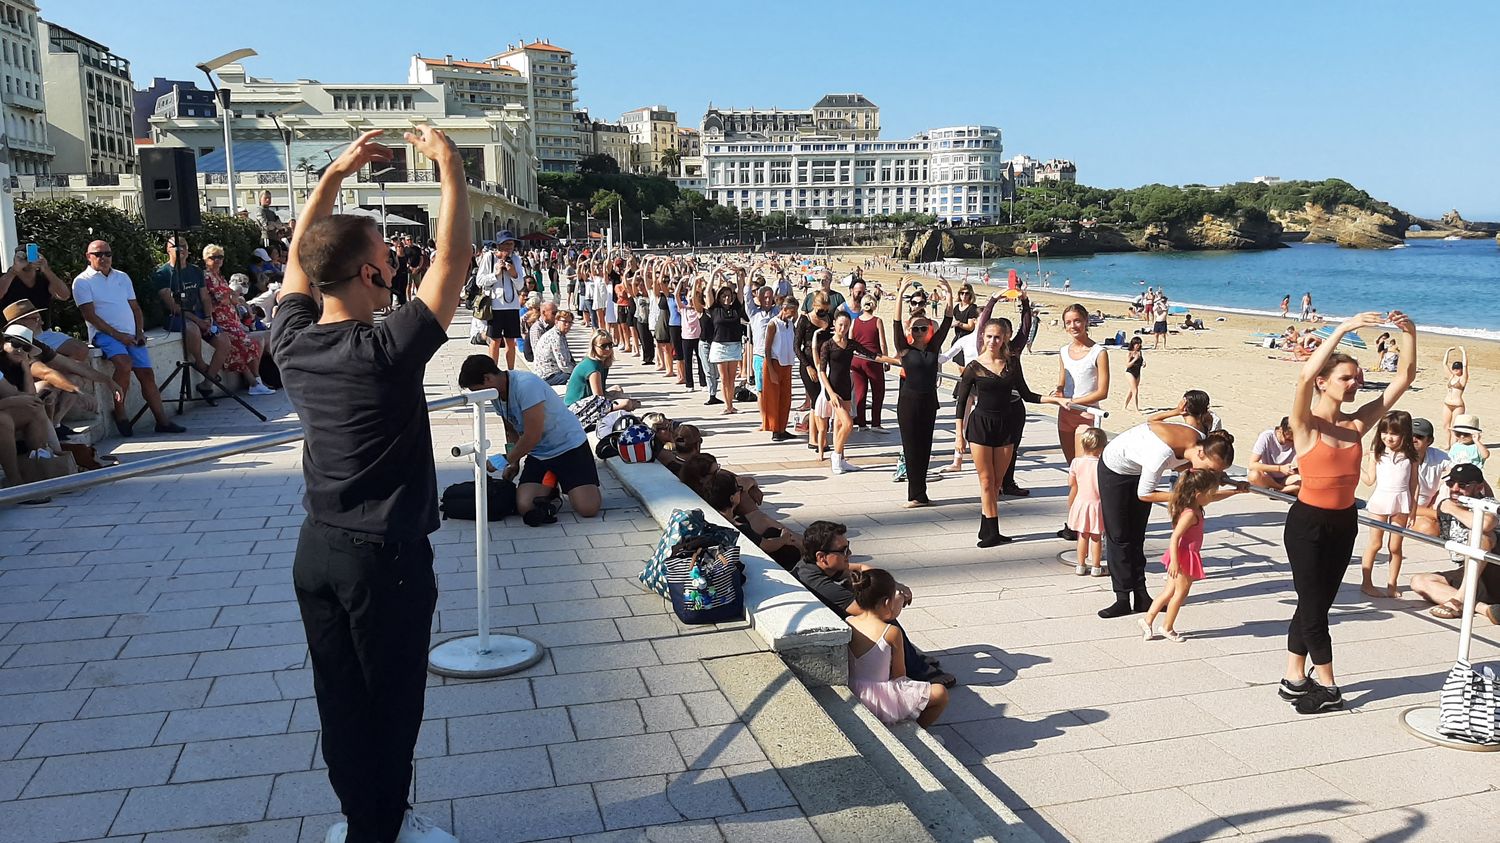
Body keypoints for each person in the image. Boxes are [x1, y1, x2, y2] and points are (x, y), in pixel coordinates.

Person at [270, 126, 466, 843]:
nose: (395, 268)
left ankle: (361, 815)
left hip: (315, 550)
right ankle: (377, 831)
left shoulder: (290, 339)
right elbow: (453, 260)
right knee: (391, 703)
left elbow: (299, 255)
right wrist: (449, 168)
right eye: (386, 260)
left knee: (340, 698)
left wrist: (335, 173)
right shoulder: (385, 349)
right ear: (370, 278)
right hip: (384, 559)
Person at [1280, 310, 1416, 716]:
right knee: (1314, 603)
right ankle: (1329, 687)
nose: (1355, 383)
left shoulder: (1358, 425)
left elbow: (1404, 379)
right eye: (1346, 377)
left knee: (1315, 603)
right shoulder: (1305, 425)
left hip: (1344, 523)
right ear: (1325, 381)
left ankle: (1294, 677)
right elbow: (1303, 377)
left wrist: (1410, 333)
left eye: (1358, 377)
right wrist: (1342, 329)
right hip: (1307, 523)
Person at [1097, 405, 1239, 619]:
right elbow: (1144, 494)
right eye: (1210, 470)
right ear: (1201, 452)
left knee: (1137, 536)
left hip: (1140, 469)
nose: (1209, 475)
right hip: (1115, 469)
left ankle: (1142, 594)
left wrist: (1229, 484)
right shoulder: (1160, 454)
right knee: (1119, 536)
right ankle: (1122, 598)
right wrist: (1186, 497)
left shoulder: (1201, 441)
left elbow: (1182, 465)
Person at [793, 520, 955, 687]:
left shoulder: (814, 566)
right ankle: (918, 670)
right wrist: (896, 596)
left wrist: (893, 585)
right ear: (821, 557)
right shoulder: (818, 583)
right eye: (843, 550)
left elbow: (862, 568)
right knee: (884, 619)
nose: (849, 553)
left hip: (828, 619)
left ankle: (913, 657)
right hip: (827, 630)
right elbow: (881, 612)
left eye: (848, 546)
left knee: (863, 591)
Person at [956, 316, 1061, 546]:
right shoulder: (974, 367)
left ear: (1005, 339)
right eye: (990, 336)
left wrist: (1054, 400)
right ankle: (991, 532)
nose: (993, 341)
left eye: (998, 337)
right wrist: (958, 438)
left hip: (1006, 426)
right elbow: (962, 402)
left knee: (997, 483)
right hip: (980, 426)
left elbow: (1026, 394)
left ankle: (988, 530)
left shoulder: (1012, 363)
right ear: (983, 336)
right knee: (985, 481)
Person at [458, 355, 602, 520]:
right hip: (540, 454)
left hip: (569, 447)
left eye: (477, 390)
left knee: (588, 509)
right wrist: (513, 463)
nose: (479, 396)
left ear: (487, 378)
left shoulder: (526, 385)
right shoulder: (495, 393)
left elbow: (533, 436)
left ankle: (566, 481)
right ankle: (552, 481)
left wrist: (504, 459)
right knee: (526, 506)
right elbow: (510, 430)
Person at [73, 239, 186, 437]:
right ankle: (120, 411)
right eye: (98, 254)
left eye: (107, 253)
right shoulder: (82, 281)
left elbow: (134, 307)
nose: (104, 258)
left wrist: (140, 332)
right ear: (88, 256)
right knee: (124, 364)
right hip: (104, 335)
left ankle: (162, 421)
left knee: (147, 374)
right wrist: (118, 336)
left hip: (131, 334)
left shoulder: (122, 277)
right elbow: (89, 315)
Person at [870, 279, 952, 507]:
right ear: (910, 331)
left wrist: (948, 294)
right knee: (911, 447)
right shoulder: (904, 349)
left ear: (928, 331)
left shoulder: (934, 348)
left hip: (929, 403)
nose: (918, 331)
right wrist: (900, 295)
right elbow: (895, 323)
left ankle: (921, 494)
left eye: (923, 328)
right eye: (915, 328)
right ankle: (914, 494)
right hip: (908, 404)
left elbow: (947, 321)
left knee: (925, 448)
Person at [1139, 468, 1237, 642]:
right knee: (1180, 593)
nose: (1212, 497)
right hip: (1184, 557)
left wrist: (1237, 491)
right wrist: (1175, 562)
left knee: (1168, 592)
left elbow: (1216, 497)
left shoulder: (1194, 504)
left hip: (1182, 555)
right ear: (1198, 494)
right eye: (1210, 493)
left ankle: (1147, 620)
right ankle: (1167, 627)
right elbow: (1175, 537)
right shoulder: (1191, 513)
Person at [846, 567, 949, 727]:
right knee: (940, 693)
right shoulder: (891, 632)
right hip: (880, 699)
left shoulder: (849, 622)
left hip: (853, 688)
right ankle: (919, 731)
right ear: (887, 602)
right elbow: (899, 675)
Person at [1411, 464, 1500, 623]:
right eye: (1450, 484)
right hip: (1470, 570)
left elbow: (1486, 523)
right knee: (1419, 582)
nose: (1455, 489)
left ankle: (1458, 600)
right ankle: (1486, 609)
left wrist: (1452, 509)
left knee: (1480, 534)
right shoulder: (1448, 505)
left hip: (1494, 570)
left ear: (1479, 487)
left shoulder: (1487, 503)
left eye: (1463, 485)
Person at [1054, 303, 1109, 541]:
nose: (1073, 326)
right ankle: (1073, 521)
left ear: (1086, 321)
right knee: (1073, 472)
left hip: (1086, 416)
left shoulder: (1099, 352)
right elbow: (1062, 381)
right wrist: (1058, 393)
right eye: (1068, 322)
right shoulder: (1064, 351)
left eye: (1077, 320)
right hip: (1065, 413)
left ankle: (1078, 526)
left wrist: (1075, 401)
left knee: (1085, 473)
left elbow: (1102, 391)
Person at [203, 244, 276, 396]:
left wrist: (232, 298)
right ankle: (256, 382)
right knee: (247, 344)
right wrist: (232, 297)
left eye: (220, 257)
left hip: (232, 319)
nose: (217, 260)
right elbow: (220, 299)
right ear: (205, 259)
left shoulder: (220, 276)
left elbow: (230, 297)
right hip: (221, 322)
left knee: (249, 345)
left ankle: (257, 382)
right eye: (213, 257)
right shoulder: (207, 277)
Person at [1359, 411, 1418, 599]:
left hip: (1401, 501)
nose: (1388, 437)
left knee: (1395, 546)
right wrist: (1353, 465)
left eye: (1394, 433)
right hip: (1381, 500)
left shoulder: (1411, 456)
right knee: (1375, 543)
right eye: (1384, 432)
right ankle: (1366, 583)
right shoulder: (1377, 453)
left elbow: (1414, 484)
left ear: (1404, 434)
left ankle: (1392, 584)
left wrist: (1413, 509)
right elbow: (1369, 480)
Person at [816, 310, 873, 475]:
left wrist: (897, 360)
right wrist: (831, 393)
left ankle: (841, 459)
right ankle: (836, 456)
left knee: (840, 424)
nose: (843, 328)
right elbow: (821, 371)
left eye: (846, 326)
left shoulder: (851, 344)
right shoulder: (827, 344)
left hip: (846, 387)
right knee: (848, 424)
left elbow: (871, 355)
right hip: (832, 389)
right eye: (840, 325)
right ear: (834, 324)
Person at [1067, 427, 1107, 577]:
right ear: (1102, 447)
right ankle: (1096, 566)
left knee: (1082, 535)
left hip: (1081, 502)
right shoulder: (1101, 464)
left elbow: (1071, 483)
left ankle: (1080, 565)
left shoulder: (1076, 462)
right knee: (1096, 537)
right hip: (1097, 504)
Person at [483, 233, 524, 369]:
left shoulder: (516, 259)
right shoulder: (489, 258)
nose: (509, 247)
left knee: (511, 341)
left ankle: (511, 371)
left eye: (511, 244)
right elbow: (480, 281)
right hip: (495, 306)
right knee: (495, 340)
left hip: (512, 305)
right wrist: (495, 274)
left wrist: (514, 274)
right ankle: (492, 370)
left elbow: (520, 285)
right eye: (506, 244)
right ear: (499, 245)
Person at [706, 282, 748, 414]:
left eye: (729, 296)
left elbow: (741, 288)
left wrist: (740, 275)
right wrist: (714, 274)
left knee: (732, 378)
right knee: (724, 378)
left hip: (734, 345)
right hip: (720, 345)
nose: (727, 299)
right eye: (724, 296)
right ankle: (727, 405)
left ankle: (731, 405)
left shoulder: (736, 308)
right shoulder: (715, 309)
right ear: (719, 297)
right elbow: (707, 292)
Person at [760, 296, 797, 441]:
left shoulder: (790, 324)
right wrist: (771, 370)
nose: (794, 314)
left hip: (786, 363)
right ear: (784, 309)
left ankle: (782, 427)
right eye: (792, 311)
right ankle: (775, 429)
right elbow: (767, 349)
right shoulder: (773, 324)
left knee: (786, 398)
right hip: (774, 363)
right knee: (773, 398)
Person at [850, 294, 888, 432]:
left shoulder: (855, 322)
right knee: (878, 391)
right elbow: (882, 343)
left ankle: (861, 423)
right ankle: (876, 423)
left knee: (860, 392)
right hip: (872, 359)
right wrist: (886, 359)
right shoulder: (877, 321)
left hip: (857, 359)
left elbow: (851, 341)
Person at [1409, 417, 1450, 536]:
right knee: (1429, 529)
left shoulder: (1438, 457)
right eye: (1410, 435)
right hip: (1401, 512)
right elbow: (1402, 505)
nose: (1413, 439)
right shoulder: (1398, 460)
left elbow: (1464, 472)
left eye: (1419, 437)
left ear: (1430, 441)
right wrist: (1436, 513)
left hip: (1428, 508)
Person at [1248, 417, 1301, 493]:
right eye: (1288, 439)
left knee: (1307, 480)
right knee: (1253, 476)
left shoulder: (1297, 441)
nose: (1289, 443)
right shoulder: (1267, 436)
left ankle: (1279, 491)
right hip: (1266, 476)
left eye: (1293, 440)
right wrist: (1279, 468)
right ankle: (1282, 489)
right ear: (1280, 430)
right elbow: (1252, 465)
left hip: (1285, 478)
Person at [531, 309, 577, 386]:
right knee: (578, 378)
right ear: (556, 321)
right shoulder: (555, 337)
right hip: (547, 376)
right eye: (564, 322)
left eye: (570, 322)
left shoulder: (560, 334)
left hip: (555, 371)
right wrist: (579, 371)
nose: (567, 325)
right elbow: (563, 365)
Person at [1441, 347, 1468, 448]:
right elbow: (1444, 364)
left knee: (1454, 427)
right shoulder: (1451, 376)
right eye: (1454, 368)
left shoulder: (1463, 379)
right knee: (1446, 425)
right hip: (1447, 404)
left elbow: (1465, 366)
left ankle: (1454, 445)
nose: (1456, 370)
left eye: (1458, 368)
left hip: (1458, 405)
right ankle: (1447, 444)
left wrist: (1463, 352)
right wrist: (1447, 351)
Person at [1122, 336, 1143, 412]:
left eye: (1139, 344)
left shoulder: (1140, 352)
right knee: (1135, 390)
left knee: (1131, 390)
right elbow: (1127, 365)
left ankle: (1124, 406)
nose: (1138, 345)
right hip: (1130, 372)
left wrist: (1143, 363)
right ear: (1133, 344)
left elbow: (1140, 362)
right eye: (1137, 344)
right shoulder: (1130, 353)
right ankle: (1136, 409)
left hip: (1137, 372)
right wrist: (1134, 359)